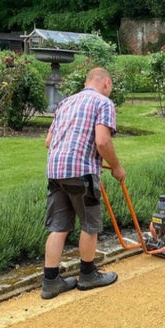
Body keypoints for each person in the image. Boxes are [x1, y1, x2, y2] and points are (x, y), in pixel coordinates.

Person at [41, 67, 126, 300]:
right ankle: (88, 275)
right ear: (106, 82)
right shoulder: (103, 103)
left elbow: (49, 141)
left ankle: (50, 282)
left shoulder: (65, 103)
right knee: (90, 224)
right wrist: (116, 167)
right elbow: (101, 141)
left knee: (59, 226)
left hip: (56, 171)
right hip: (82, 173)